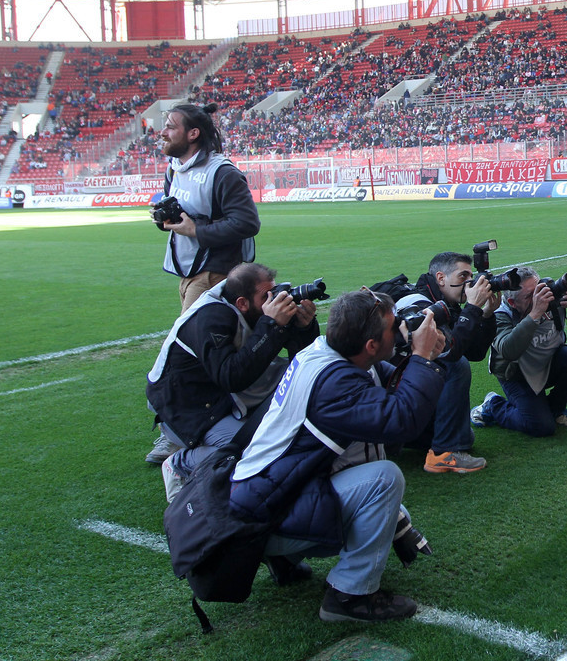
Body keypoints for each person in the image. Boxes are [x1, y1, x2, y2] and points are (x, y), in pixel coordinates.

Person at [229, 289, 447, 623]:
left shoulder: (327, 353)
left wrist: (416, 355)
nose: (402, 328)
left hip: (265, 496)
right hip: (265, 515)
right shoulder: (335, 385)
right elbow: (403, 419)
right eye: (394, 327)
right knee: (384, 479)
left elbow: (389, 389)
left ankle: (284, 559)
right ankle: (349, 596)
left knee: (373, 480)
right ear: (371, 346)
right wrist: (422, 359)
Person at [145, 263, 319, 497]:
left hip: (227, 396)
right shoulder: (210, 317)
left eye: (274, 291)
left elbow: (301, 365)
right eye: (265, 296)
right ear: (242, 303)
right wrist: (271, 326)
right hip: (189, 408)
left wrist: (304, 327)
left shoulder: (256, 309)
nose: (273, 300)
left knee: (295, 413)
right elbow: (231, 377)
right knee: (250, 451)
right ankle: (181, 463)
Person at [394, 252, 495, 474]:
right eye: (463, 276)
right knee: (455, 365)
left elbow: (475, 352)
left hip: (408, 393)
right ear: (441, 278)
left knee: (465, 435)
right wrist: (472, 308)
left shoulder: (447, 304)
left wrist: (486, 315)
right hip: (393, 396)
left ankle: (410, 438)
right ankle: (445, 453)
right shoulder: (417, 302)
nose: (470, 282)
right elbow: (448, 353)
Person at [156, 102, 260, 313]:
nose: (163, 133)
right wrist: (165, 220)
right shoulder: (174, 170)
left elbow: (247, 223)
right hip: (188, 271)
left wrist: (196, 231)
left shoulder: (223, 173)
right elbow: (185, 218)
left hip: (214, 273)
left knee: (188, 341)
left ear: (193, 133)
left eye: (170, 127)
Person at [473, 268, 567, 437]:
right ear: (512, 302)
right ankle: (493, 404)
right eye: (529, 296)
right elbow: (508, 351)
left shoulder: (550, 292)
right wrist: (535, 314)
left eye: (538, 290)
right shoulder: (500, 315)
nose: (539, 297)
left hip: (549, 362)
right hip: (517, 375)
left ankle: (555, 409)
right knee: (541, 427)